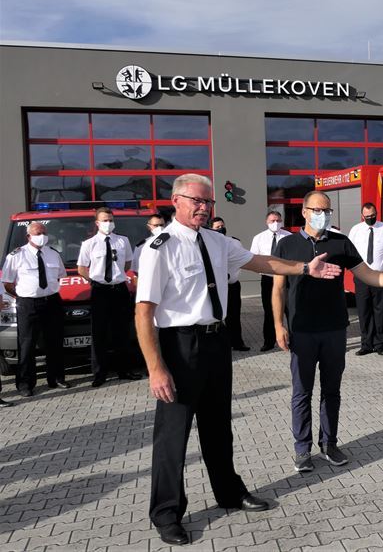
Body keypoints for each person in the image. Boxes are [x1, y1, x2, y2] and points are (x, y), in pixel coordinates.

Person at [135, 174, 342, 546]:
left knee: (218, 427)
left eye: (208, 203)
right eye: (197, 201)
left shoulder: (217, 242)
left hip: (217, 344)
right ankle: (166, 513)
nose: (203, 207)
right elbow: (143, 312)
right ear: (176, 201)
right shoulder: (158, 247)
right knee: (173, 437)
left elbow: (261, 262)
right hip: (179, 346)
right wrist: (156, 368)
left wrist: (303, 268)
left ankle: (228, 492)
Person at [273, 191, 383, 472]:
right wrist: (278, 325)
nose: (323, 215)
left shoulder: (341, 242)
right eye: (317, 210)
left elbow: (368, 274)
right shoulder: (286, 245)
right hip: (302, 330)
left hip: (335, 330)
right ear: (304, 211)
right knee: (302, 392)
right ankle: (302, 450)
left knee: (331, 391)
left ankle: (329, 444)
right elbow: (277, 289)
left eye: (327, 210)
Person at [1, 221, 69, 397]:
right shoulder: (16, 256)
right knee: (27, 344)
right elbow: (8, 283)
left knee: (54, 342)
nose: (42, 236)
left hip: (52, 302)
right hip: (28, 303)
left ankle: (56, 378)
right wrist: (23, 295)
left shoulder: (53, 254)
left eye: (44, 232)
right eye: (38, 233)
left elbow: (60, 276)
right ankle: (25, 384)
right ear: (29, 236)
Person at [77, 207, 141, 387]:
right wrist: (94, 281)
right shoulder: (89, 244)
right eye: (105, 220)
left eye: (111, 220)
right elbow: (82, 268)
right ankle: (99, 373)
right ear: (97, 223)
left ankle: (124, 370)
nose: (109, 223)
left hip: (119, 289)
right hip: (100, 291)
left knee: (122, 331)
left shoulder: (123, 241)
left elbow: (127, 263)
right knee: (99, 334)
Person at [348, 203, 383, 355]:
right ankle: (366, 344)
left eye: (373, 216)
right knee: (364, 311)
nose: (370, 218)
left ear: (376, 214)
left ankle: (379, 345)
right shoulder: (356, 230)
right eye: (367, 216)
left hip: (380, 276)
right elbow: (350, 252)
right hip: (362, 276)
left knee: (380, 310)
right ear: (362, 216)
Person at [250, 210, 291, 352]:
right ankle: (269, 341)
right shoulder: (259, 238)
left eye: (278, 220)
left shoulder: (289, 237)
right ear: (266, 222)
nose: (276, 223)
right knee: (269, 311)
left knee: (289, 310)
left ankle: (293, 339)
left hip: (286, 280)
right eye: (272, 221)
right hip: (268, 279)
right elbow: (254, 259)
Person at [210, 217, 248, 351]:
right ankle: (220, 344)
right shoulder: (208, 243)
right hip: (217, 287)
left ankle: (237, 342)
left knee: (234, 315)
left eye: (222, 226)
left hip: (232, 285)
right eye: (217, 227)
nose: (221, 229)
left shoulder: (234, 242)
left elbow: (243, 259)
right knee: (217, 316)